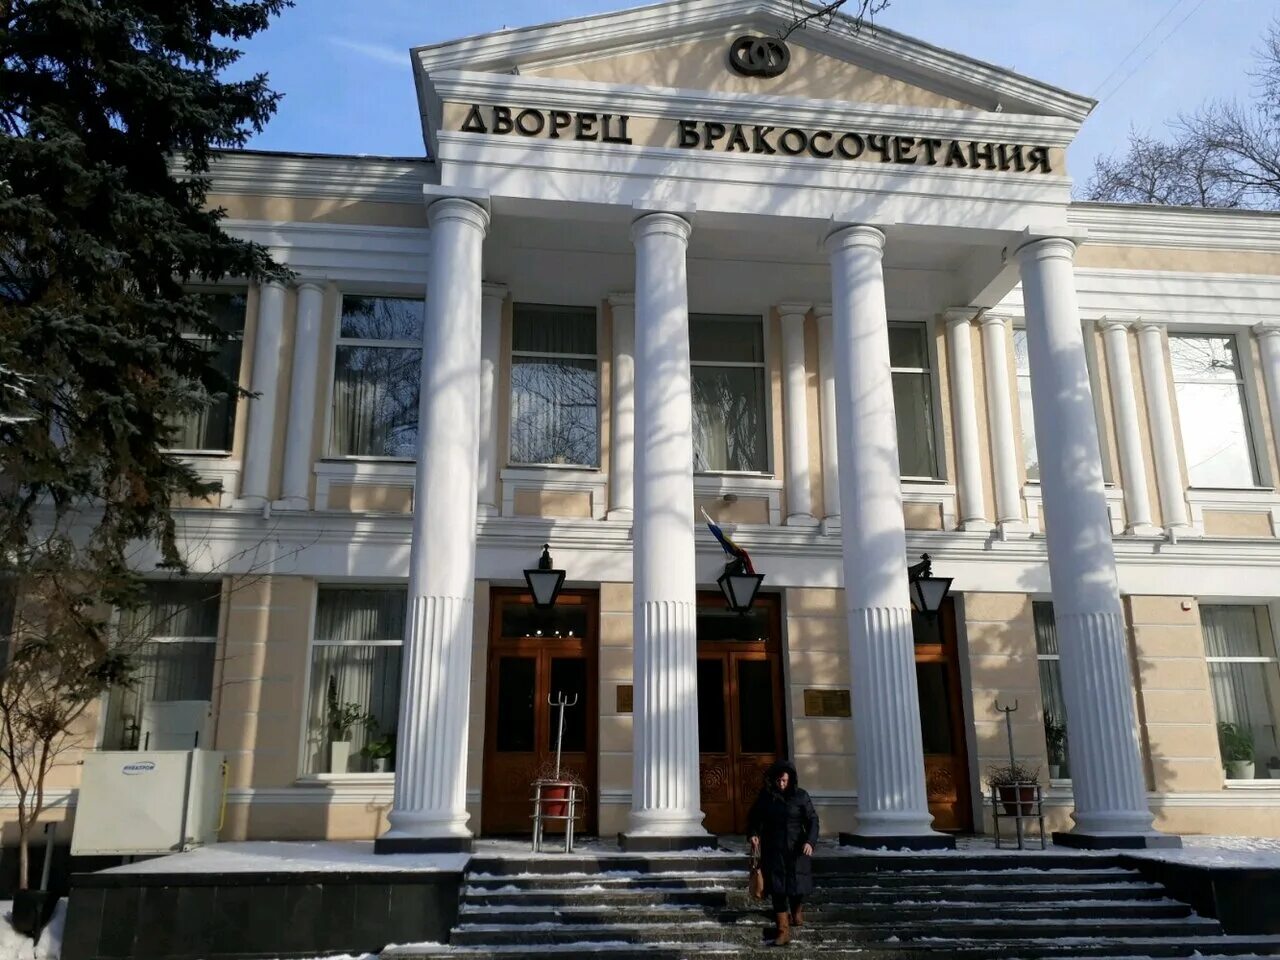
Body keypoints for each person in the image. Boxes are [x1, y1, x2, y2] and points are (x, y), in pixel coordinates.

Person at [747, 758, 819, 947]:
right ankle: (783, 930)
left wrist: (810, 842)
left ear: (791, 779)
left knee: (797, 886)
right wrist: (753, 834)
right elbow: (755, 817)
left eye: (785, 781)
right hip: (774, 849)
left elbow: (812, 820)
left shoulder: (801, 796)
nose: (781, 784)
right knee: (778, 888)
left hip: (797, 849)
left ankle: (796, 910)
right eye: (778, 781)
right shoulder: (766, 797)